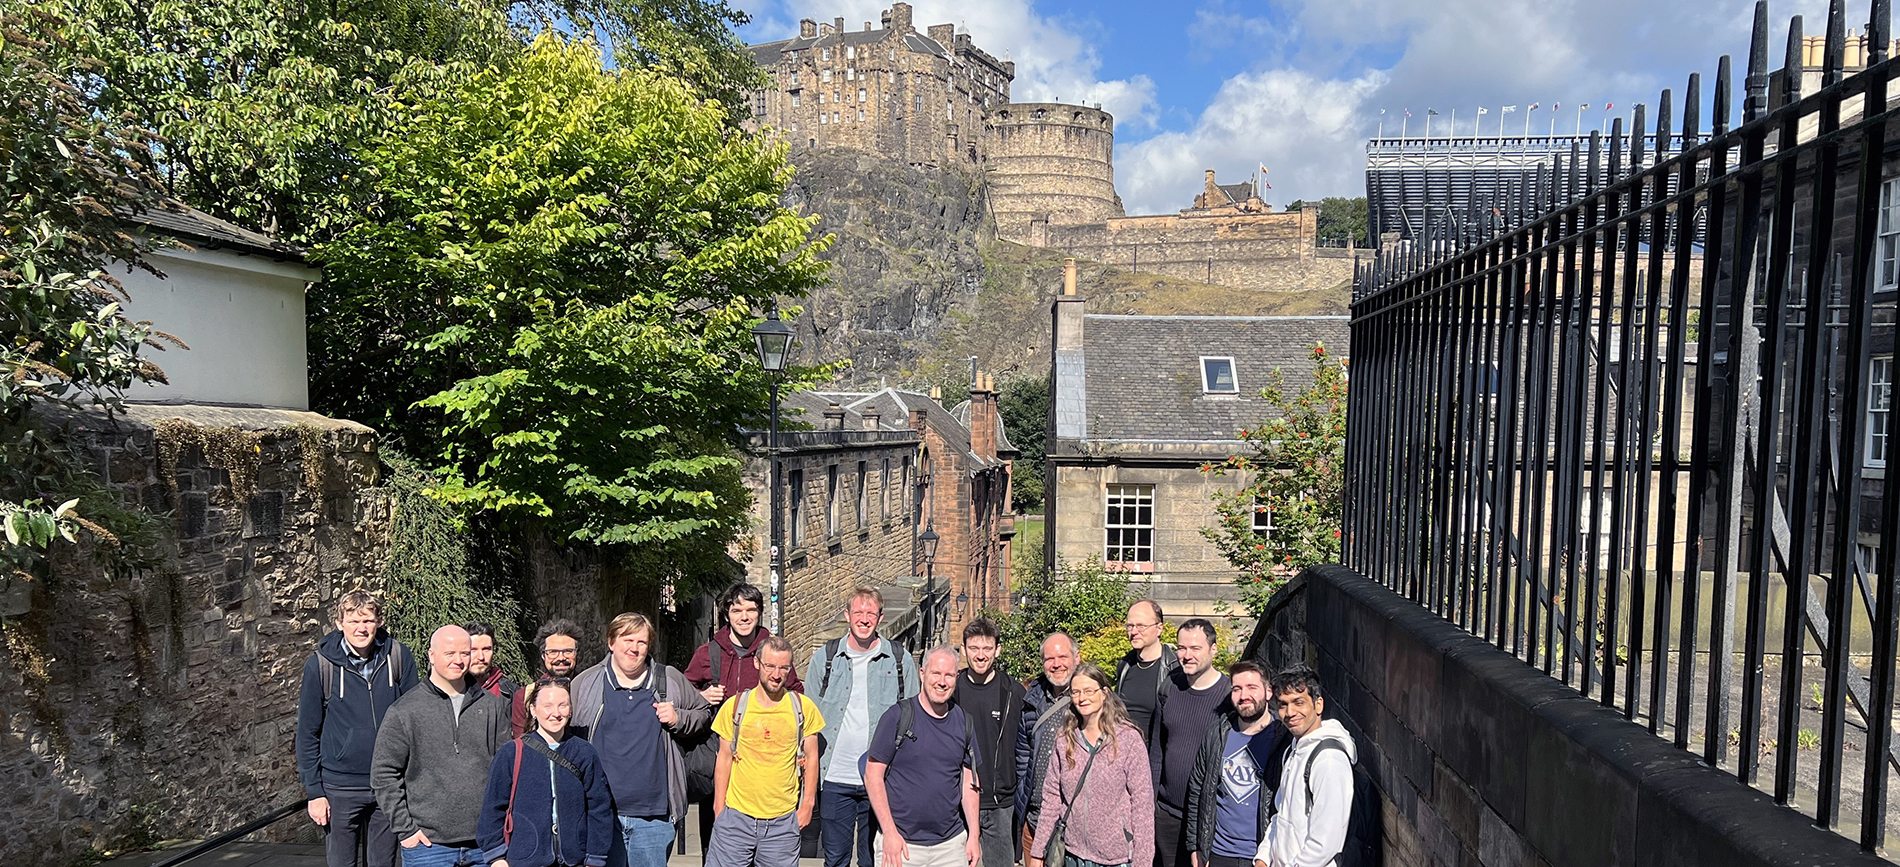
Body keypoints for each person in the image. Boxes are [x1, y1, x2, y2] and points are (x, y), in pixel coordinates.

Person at [570, 613, 713, 867]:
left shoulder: (669, 679)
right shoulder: (586, 683)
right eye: (627, 640)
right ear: (611, 642)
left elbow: (703, 713)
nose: (634, 648)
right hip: (601, 813)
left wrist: (678, 718)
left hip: (654, 817)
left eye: (642, 642)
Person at [371, 624, 511, 867]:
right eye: (450, 653)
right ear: (432, 655)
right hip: (428, 847)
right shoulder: (405, 711)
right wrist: (406, 830)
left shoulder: (491, 706)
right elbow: (383, 774)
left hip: (485, 844)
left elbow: (505, 768)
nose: (458, 660)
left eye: (465, 653)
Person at [297, 590, 419, 867]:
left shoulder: (398, 656)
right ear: (339, 624)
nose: (361, 628)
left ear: (379, 622)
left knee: (384, 863)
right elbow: (307, 733)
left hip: (388, 782)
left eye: (367, 621)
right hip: (340, 787)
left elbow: (414, 721)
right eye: (353, 621)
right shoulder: (321, 666)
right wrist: (314, 792)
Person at [685, 583, 805, 855]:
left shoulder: (771, 651)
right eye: (737, 610)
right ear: (726, 614)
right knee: (715, 845)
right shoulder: (709, 653)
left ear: (759, 613)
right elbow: (683, 691)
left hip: (763, 763)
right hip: (719, 758)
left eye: (751, 610)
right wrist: (702, 695)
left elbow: (796, 693)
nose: (744, 616)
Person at [806, 588, 922, 867]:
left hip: (881, 779)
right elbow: (808, 720)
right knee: (835, 859)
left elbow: (913, 717)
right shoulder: (825, 658)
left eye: (871, 613)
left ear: (880, 618)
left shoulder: (899, 660)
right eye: (858, 612)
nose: (864, 619)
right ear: (847, 615)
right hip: (834, 776)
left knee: (873, 860)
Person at [707, 637, 826, 867]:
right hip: (736, 818)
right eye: (770, 666)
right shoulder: (735, 707)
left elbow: (812, 757)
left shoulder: (803, 708)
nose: (776, 674)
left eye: (783, 668)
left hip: (782, 823)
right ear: (757, 663)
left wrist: (808, 805)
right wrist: (719, 808)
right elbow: (724, 758)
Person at [476, 678, 615, 867]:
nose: (556, 713)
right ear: (533, 710)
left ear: (570, 709)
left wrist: (595, 858)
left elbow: (599, 808)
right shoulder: (511, 753)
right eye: (547, 706)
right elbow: (492, 808)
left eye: (562, 705)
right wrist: (496, 856)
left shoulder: (584, 752)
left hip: (574, 860)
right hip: (525, 860)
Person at [1025, 663, 1153, 867]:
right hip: (1073, 856)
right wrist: (1038, 852)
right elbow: (1051, 799)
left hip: (1116, 858)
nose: (1082, 698)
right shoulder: (1065, 740)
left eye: (1088, 691)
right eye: (1076, 692)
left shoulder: (1128, 740)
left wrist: (1143, 862)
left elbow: (1143, 806)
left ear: (1104, 693)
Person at [865, 647, 982, 867]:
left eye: (949, 675)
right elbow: (872, 775)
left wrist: (973, 835)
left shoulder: (963, 721)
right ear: (922, 673)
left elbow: (970, 783)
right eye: (936, 673)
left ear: (956, 678)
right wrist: (889, 832)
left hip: (950, 846)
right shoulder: (897, 716)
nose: (942, 682)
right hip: (901, 845)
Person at [1183, 662, 1284, 867]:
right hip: (1219, 852)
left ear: (1268, 692)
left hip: (1264, 854)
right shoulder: (1217, 733)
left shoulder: (1283, 740)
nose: (1243, 695)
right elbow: (1197, 790)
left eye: (1251, 687)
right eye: (1237, 689)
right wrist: (1196, 846)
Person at [1152, 619, 1233, 867]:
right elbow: (1157, 751)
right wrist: (1150, 803)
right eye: (1181, 648)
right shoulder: (1169, 688)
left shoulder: (1229, 696)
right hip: (1167, 814)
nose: (1187, 656)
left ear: (1213, 649)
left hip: (1208, 818)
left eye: (1195, 648)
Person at [1257, 667, 1354, 867]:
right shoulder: (1293, 749)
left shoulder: (1328, 760)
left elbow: (1325, 843)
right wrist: (1263, 858)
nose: (1290, 713)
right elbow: (1279, 815)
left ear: (1318, 705)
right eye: (1283, 705)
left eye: (1298, 702)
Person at [951, 618, 1025, 867]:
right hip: (957, 802)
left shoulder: (1013, 692)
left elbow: (1025, 747)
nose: (980, 655)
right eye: (974, 648)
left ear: (997, 650)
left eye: (987, 648)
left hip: (1000, 803)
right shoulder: (951, 690)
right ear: (963, 650)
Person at [1016, 632, 1077, 853]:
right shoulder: (1033, 699)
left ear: (1077, 658)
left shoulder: (1090, 699)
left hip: (1072, 825)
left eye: (1063, 657)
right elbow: (1023, 755)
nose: (1056, 664)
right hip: (1034, 819)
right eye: (1049, 659)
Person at [1115, 600, 1179, 752]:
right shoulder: (1125, 665)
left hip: (1157, 755)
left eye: (1141, 626)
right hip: (1124, 753)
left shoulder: (1174, 669)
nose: (1134, 632)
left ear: (1159, 628)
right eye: (1130, 626)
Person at [516, 620, 586, 737]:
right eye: (553, 652)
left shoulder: (589, 690)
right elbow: (520, 743)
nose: (561, 658)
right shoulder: (525, 696)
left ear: (577, 653)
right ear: (543, 655)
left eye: (568, 651)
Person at [467, 621, 520, 702]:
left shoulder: (512, 693)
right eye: (473, 650)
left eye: (486, 649)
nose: (481, 657)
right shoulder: (451, 691)